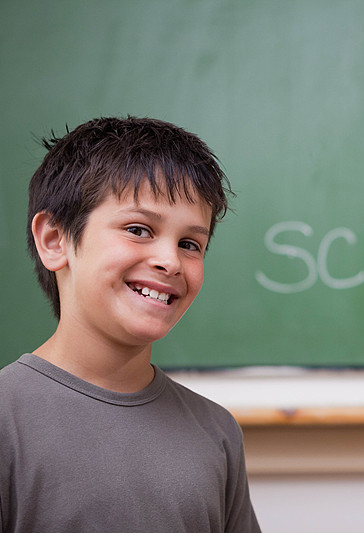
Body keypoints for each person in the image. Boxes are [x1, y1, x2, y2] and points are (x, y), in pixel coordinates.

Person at [0, 116, 261, 532]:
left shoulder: (216, 431)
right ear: (54, 240)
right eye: (138, 229)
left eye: (190, 244)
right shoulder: (7, 419)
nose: (171, 261)